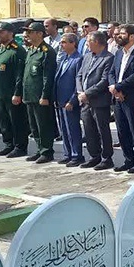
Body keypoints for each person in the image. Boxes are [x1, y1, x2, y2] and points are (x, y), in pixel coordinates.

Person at [109, 25, 134, 173]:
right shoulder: (119, 53)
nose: (118, 36)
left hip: (131, 97)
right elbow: (111, 73)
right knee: (122, 130)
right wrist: (114, 88)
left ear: (131, 37)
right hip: (117, 98)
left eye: (122, 34)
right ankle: (128, 160)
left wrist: (119, 87)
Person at [76, 30, 115, 170]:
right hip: (85, 101)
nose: (86, 44)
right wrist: (80, 92)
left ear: (97, 42)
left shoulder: (108, 58)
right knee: (89, 130)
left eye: (89, 41)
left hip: (99, 101)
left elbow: (104, 81)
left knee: (102, 130)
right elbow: (79, 75)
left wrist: (88, 93)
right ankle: (94, 156)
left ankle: (106, 158)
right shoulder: (87, 56)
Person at [0, 22, 30, 158]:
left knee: (17, 121)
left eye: (1, 32)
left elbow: (19, 75)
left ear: (10, 33)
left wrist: (17, 93)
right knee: (4, 122)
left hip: (12, 93)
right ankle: (8, 144)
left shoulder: (17, 51)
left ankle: (20, 146)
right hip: (0, 93)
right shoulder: (0, 49)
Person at [21, 22, 57, 164]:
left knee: (43, 125)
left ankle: (47, 151)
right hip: (30, 94)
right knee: (34, 125)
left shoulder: (47, 52)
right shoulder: (31, 50)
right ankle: (39, 148)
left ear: (40, 34)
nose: (27, 35)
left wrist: (45, 95)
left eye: (30, 32)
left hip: (40, 96)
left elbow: (47, 76)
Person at [54, 33, 84, 167]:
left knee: (73, 129)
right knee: (64, 129)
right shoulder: (64, 58)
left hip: (70, 100)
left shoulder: (78, 59)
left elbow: (78, 82)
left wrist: (72, 100)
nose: (62, 45)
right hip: (60, 99)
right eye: (61, 42)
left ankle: (77, 155)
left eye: (64, 42)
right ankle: (68, 154)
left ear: (73, 43)